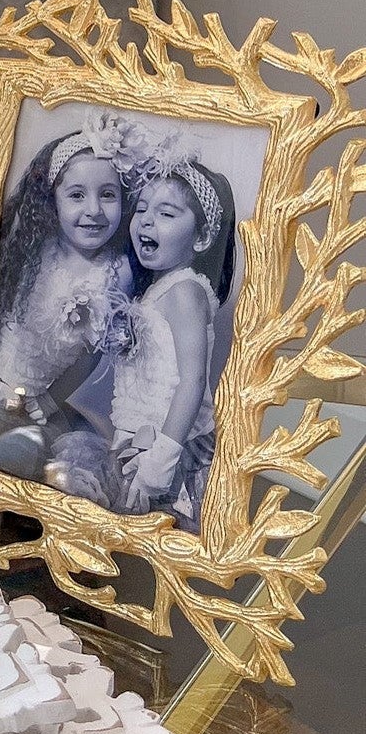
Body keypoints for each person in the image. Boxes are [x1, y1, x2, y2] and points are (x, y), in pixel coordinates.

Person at [0, 111, 141, 492]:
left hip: (48, 404)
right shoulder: (31, 252)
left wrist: (52, 400)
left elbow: (92, 355)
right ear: (53, 201)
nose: (93, 210)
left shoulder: (118, 270)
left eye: (107, 195)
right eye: (76, 195)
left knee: (41, 469)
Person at [109, 140, 238, 531]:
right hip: (136, 442)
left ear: (199, 239)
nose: (146, 221)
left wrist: (160, 462)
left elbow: (192, 382)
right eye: (142, 210)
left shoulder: (185, 291)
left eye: (166, 213)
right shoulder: (155, 289)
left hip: (169, 452)